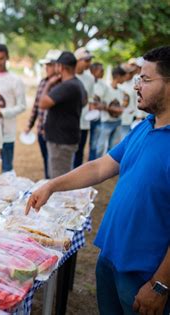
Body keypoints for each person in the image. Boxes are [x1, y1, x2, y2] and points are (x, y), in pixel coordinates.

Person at [26, 46, 170, 315]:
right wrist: (52, 185)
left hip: (146, 274)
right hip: (111, 258)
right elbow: (100, 167)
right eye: (138, 78)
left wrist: (160, 285)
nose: (137, 86)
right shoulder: (145, 126)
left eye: (146, 79)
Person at [39, 51, 86, 178]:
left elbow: (42, 103)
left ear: (61, 67)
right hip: (66, 138)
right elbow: (85, 102)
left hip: (60, 142)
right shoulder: (78, 83)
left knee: (58, 179)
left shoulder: (67, 86)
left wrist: (48, 83)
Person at [0, 44, 26, 172]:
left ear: (7, 58)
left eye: (1, 58)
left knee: (6, 169)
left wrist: (2, 112)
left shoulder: (15, 80)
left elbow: (22, 106)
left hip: (7, 133)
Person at [25, 50, 61, 179]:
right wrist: (30, 125)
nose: (46, 68)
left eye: (50, 65)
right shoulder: (43, 82)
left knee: (56, 167)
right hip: (41, 131)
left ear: (58, 66)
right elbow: (36, 105)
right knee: (46, 162)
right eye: (46, 65)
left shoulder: (63, 86)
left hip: (54, 134)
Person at [95, 66, 129, 158]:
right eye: (123, 77)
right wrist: (114, 109)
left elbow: (123, 105)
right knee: (100, 147)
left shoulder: (122, 91)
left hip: (117, 122)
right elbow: (97, 104)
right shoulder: (105, 89)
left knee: (113, 147)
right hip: (106, 122)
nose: (124, 79)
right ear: (117, 76)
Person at [73, 47, 95, 167]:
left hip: (84, 122)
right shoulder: (69, 76)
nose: (89, 64)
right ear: (77, 60)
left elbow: (90, 99)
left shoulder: (90, 78)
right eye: (86, 61)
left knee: (80, 151)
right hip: (70, 122)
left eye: (90, 61)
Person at [89, 62, 107, 161]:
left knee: (94, 143)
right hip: (84, 118)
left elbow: (105, 102)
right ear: (93, 71)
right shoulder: (87, 82)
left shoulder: (103, 85)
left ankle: (91, 164)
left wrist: (100, 105)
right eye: (101, 70)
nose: (103, 72)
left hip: (97, 117)